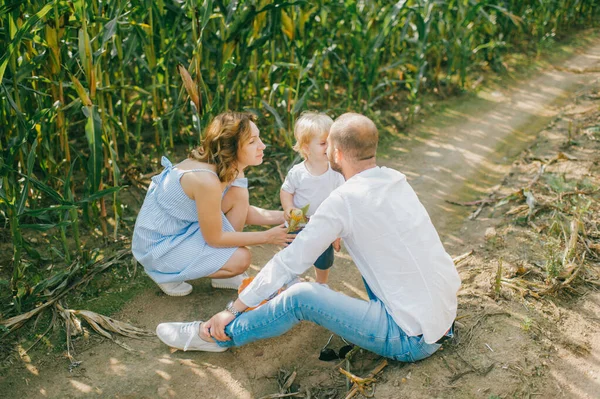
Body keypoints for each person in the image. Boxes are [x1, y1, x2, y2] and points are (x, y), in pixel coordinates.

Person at [156, 113, 461, 363]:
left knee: (302, 297)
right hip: (443, 313)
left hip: (410, 337)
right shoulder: (396, 180)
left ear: (337, 154)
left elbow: (290, 260)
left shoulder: (343, 201)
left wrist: (232, 309)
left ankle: (217, 335)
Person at [132, 112, 295, 297]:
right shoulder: (205, 181)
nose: (262, 146)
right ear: (231, 148)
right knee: (241, 258)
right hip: (159, 246)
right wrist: (267, 237)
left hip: (182, 228)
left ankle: (222, 272)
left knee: (238, 195)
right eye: (252, 142)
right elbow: (215, 238)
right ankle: (165, 273)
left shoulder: (229, 166)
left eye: (259, 139)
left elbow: (241, 210)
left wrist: (286, 215)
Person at [280, 112, 345, 284]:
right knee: (293, 252)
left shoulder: (336, 171)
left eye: (331, 143)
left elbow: (341, 198)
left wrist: (337, 231)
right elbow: (286, 191)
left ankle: (321, 283)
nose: (328, 147)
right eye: (323, 143)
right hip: (299, 219)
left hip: (324, 222)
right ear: (307, 148)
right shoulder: (298, 172)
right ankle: (291, 280)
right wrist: (288, 207)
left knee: (324, 257)